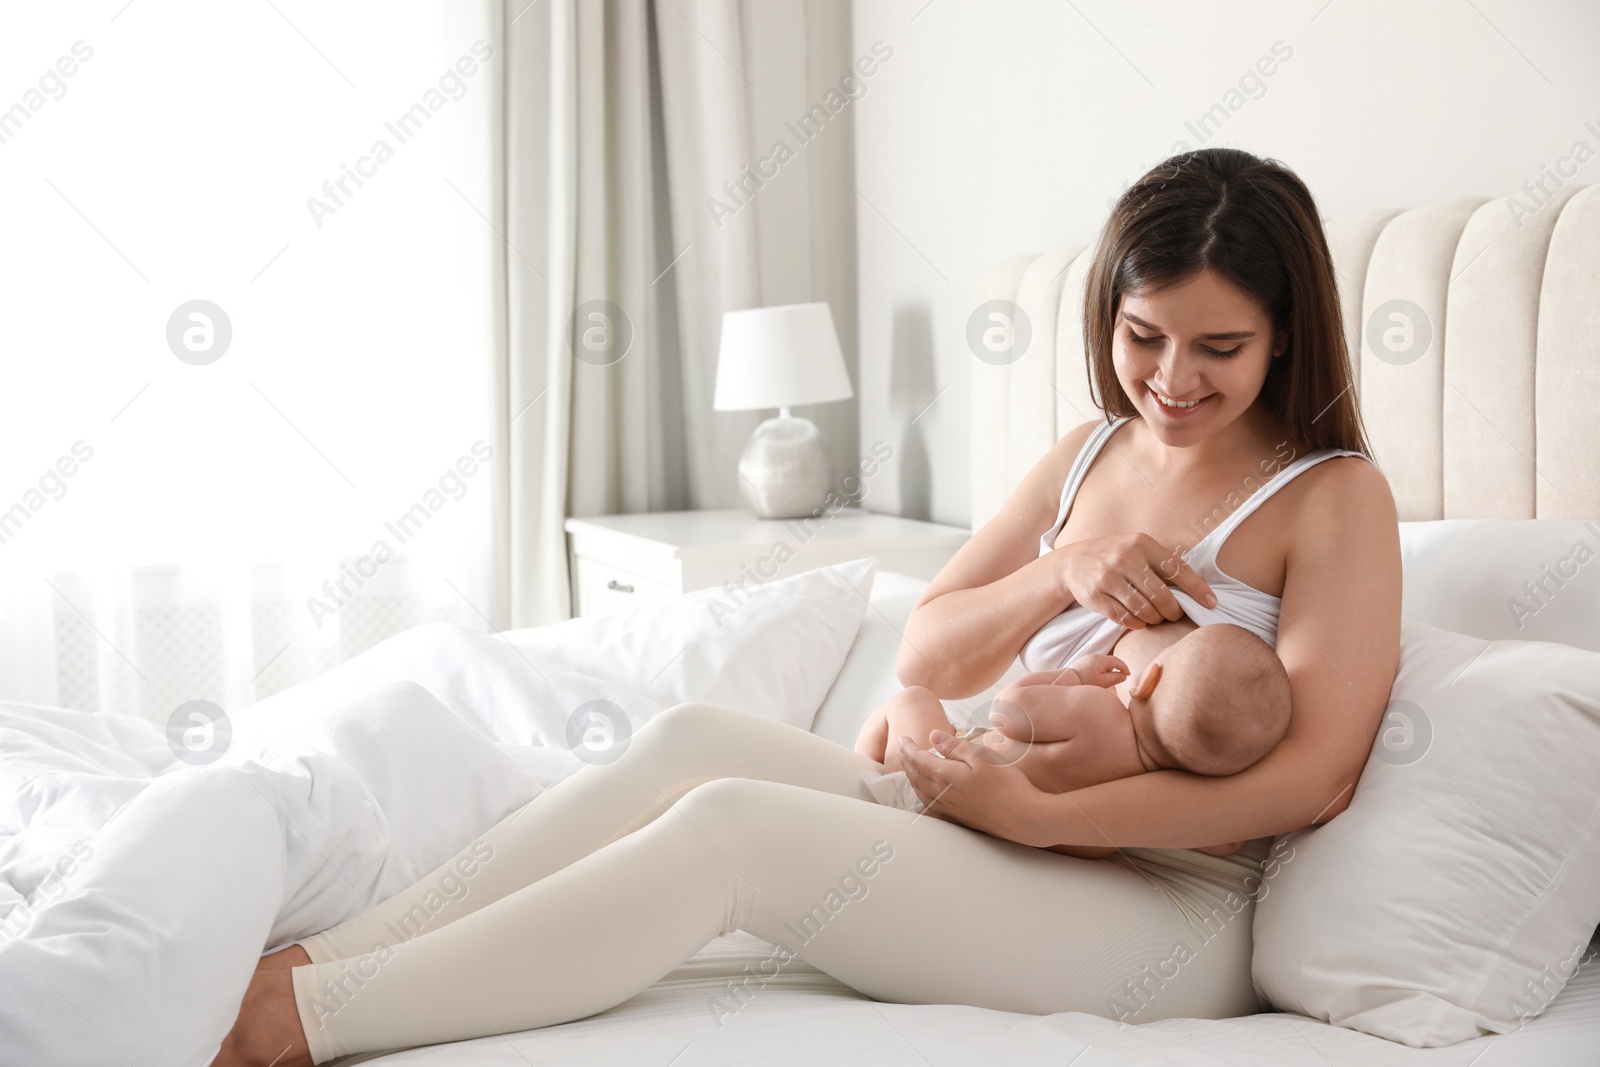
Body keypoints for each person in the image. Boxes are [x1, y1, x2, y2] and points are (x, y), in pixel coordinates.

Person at [212, 146, 1401, 1066]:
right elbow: (929, 643)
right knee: (685, 739)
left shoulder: (1331, 497)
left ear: (1284, 335)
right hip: (995, 810)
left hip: (1168, 904)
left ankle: (297, 1022)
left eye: (1219, 348)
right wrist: (1064, 568)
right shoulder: (1090, 452)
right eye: (1143, 336)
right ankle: (311, 963)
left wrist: (1032, 820)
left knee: (733, 828)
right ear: (1107, 317)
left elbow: (1315, 777)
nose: (1172, 380)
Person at [856, 621, 1292, 818]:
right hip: (985, 830)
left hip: (933, 780)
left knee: (911, 699)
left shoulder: (1097, 711)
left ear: (1148, 678)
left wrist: (1074, 676)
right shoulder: (1137, 798)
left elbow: (1006, 712)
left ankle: (861, 771)